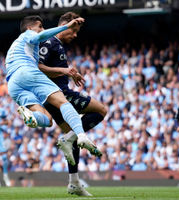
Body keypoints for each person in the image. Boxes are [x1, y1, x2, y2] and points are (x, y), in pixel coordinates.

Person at [5, 15, 101, 169]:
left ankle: (31, 116)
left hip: (13, 84)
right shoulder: (27, 35)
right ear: (30, 28)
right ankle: (81, 136)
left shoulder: (15, 46)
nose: (42, 30)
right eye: (40, 26)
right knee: (63, 101)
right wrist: (66, 26)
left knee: (46, 120)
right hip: (27, 72)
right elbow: (42, 36)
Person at [38, 12, 107, 196]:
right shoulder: (49, 42)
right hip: (59, 95)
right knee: (101, 110)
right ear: (64, 26)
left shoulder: (57, 44)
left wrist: (68, 73)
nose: (75, 35)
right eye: (73, 31)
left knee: (74, 140)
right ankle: (69, 137)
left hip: (53, 97)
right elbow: (39, 67)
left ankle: (74, 182)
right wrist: (65, 71)